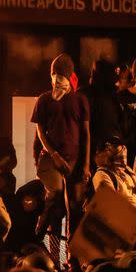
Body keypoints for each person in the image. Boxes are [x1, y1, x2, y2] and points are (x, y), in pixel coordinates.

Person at [31, 53, 91, 236]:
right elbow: (40, 132)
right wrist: (53, 156)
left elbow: (86, 133)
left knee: (74, 206)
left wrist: (86, 164)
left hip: (74, 159)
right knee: (55, 194)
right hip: (51, 158)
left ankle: (71, 254)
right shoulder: (44, 99)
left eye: (61, 76)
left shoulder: (80, 100)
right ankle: (37, 237)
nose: (57, 80)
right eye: (54, 76)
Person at [92, 136, 136, 219]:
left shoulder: (127, 174)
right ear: (107, 152)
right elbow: (111, 207)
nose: (123, 160)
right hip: (125, 228)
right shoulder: (102, 175)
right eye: (119, 154)